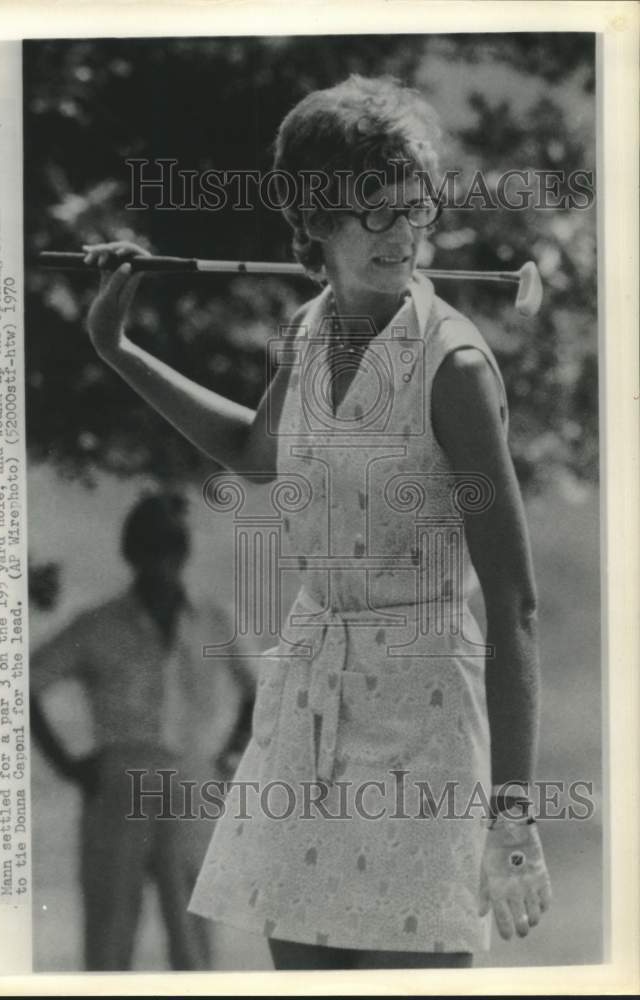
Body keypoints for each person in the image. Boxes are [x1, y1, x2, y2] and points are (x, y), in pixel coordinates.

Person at [81, 74, 552, 971]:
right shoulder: (305, 330)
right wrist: (121, 350)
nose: (404, 236)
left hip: (425, 724)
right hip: (306, 710)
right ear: (314, 220)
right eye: (372, 213)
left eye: (416, 210)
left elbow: (517, 602)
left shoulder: (455, 368)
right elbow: (258, 452)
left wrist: (517, 815)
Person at [30, 491, 255, 971]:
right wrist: (69, 766)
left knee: (193, 941)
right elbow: (24, 686)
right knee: (110, 937)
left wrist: (230, 757)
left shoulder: (214, 619)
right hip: (120, 779)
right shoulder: (98, 625)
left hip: (194, 779)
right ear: (130, 555)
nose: (158, 563)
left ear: (182, 554)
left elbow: (258, 697)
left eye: (168, 550)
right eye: (148, 551)